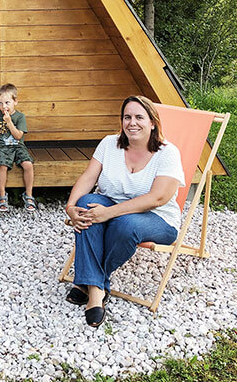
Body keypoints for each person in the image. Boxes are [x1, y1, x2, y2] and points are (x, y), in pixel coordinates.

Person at [64, 95, 184, 327]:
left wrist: (109, 213)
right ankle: (97, 290)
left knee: (124, 224)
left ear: (152, 122)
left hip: (158, 218)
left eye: (139, 117)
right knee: (87, 203)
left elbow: (157, 197)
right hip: (113, 205)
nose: (132, 123)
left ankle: (89, 283)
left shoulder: (168, 153)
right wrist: (71, 207)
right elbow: (88, 178)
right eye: (127, 117)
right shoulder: (109, 144)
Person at [0, 83, 36, 213]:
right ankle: (2, 196)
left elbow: (18, 136)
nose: (3, 106)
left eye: (7, 102)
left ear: (15, 101)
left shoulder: (20, 117)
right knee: (2, 165)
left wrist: (9, 122)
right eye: (0, 103)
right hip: (2, 147)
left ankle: (28, 195)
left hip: (18, 146)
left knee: (28, 164)